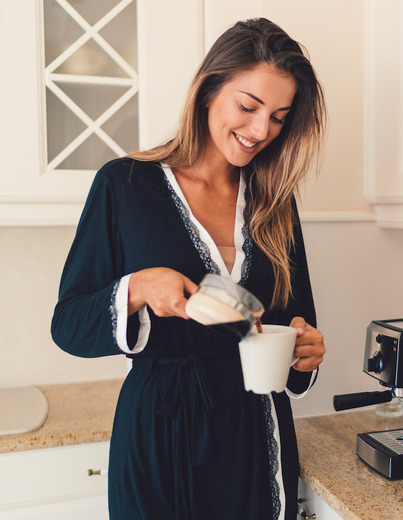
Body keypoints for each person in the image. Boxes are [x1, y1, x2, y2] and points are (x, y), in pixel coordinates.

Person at [51, 18, 326, 520]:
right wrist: (134, 288)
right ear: (208, 91)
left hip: (256, 436)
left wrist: (306, 351)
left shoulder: (275, 204)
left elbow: (295, 324)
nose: (261, 130)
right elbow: (68, 325)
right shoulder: (124, 186)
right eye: (248, 106)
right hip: (161, 431)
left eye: (280, 117)